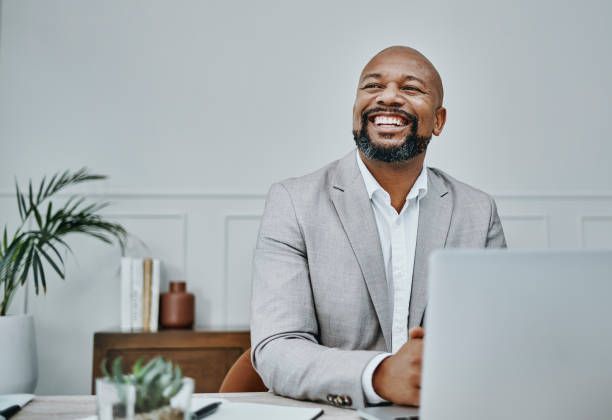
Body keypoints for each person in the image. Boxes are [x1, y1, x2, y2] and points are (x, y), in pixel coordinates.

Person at [250, 45, 506, 409]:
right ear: (356, 111)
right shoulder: (294, 202)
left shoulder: (478, 212)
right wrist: (379, 375)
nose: (388, 97)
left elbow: (496, 339)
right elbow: (276, 349)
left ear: (439, 120)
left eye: (411, 89)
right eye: (372, 87)